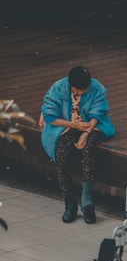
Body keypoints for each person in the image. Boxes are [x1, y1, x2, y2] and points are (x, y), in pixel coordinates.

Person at [40, 66, 115, 224]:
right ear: (70, 84)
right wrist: (74, 126)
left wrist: (86, 132)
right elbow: (50, 116)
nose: (81, 93)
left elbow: (97, 113)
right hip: (66, 124)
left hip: (92, 125)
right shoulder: (58, 88)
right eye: (78, 90)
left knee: (89, 152)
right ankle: (69, 202)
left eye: (84, 90)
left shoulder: (97, 88)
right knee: (61, 155)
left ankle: (87, 204)